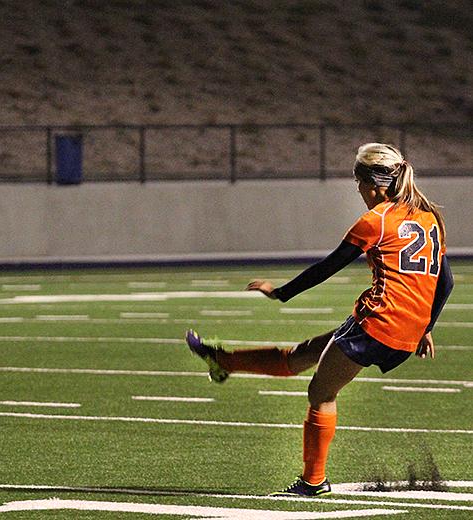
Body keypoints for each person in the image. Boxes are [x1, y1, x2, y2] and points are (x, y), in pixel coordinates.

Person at [186, 142, 454, 496]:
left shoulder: (377, 220)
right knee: (303, 354)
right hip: (403, 326)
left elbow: (327, 267)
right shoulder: (428, 217)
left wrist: (280, 292)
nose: (358, 191)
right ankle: (223, 361)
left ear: (373, 184)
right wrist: (427, 327)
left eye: (358, 183)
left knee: (321, 392)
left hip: (380, 322)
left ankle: (313, 481)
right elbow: (445, 281)